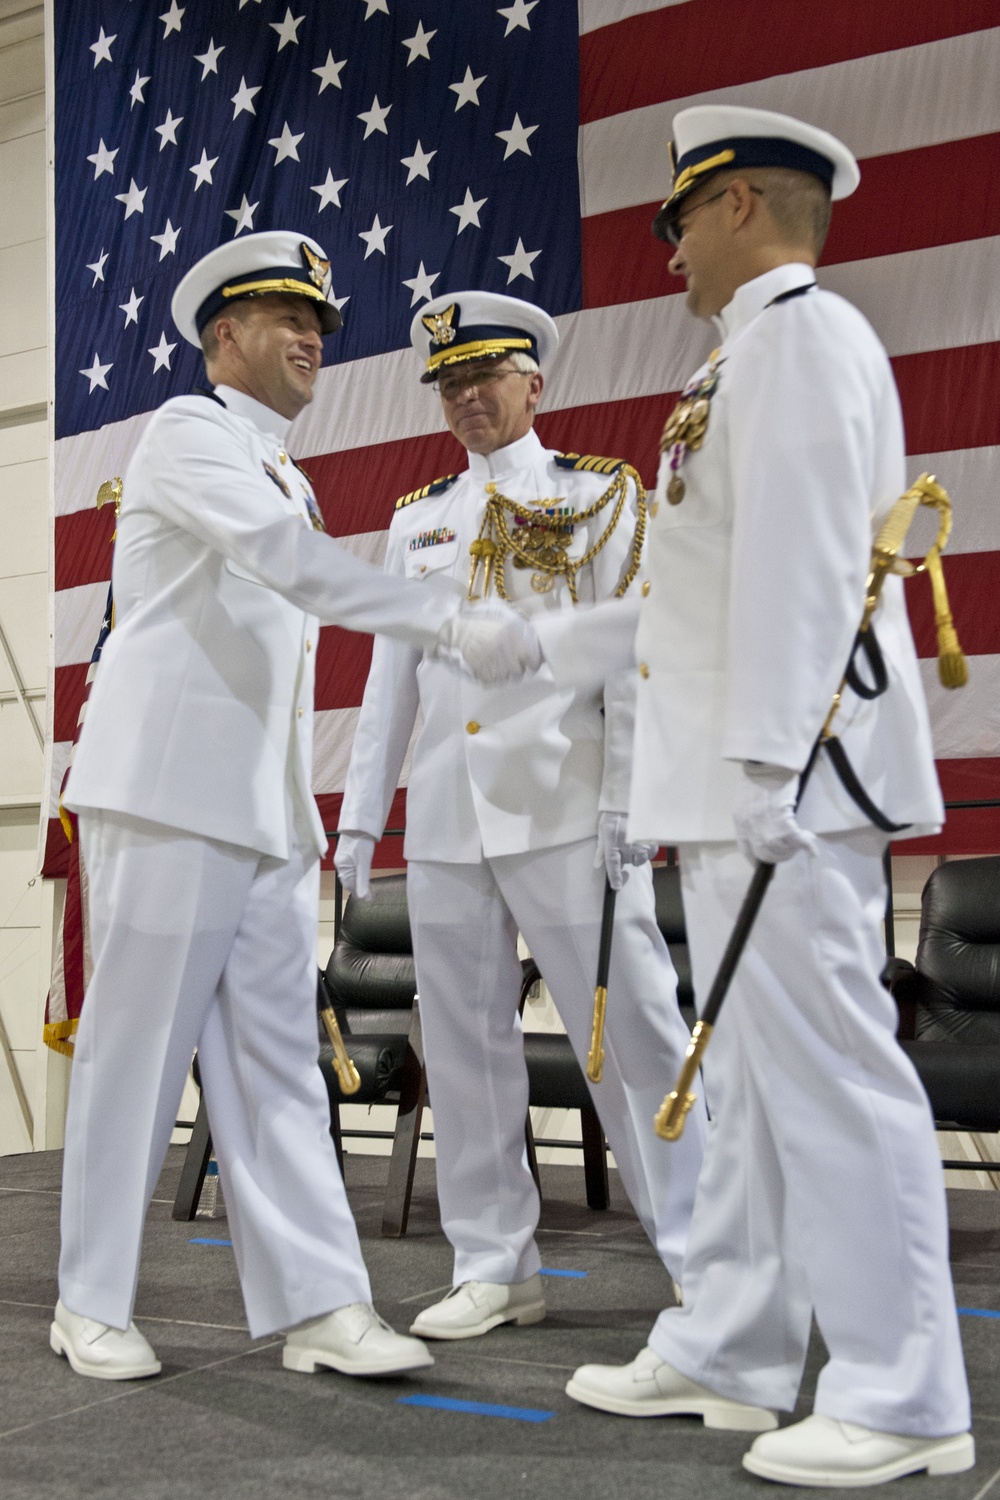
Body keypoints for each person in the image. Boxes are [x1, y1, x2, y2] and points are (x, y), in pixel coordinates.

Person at [506, 108, 975, 1486]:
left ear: (741, 209)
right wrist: (542, 639)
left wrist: (774, 760)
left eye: (677, 222)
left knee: (834, 1079)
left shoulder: (810, 340)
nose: (667, 254)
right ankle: (737, 1344)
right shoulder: (742, 360)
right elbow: (698, 599)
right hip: (729, 783)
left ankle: (905, 1396)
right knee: (761, 1095)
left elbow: (819, 567)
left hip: (786, 782)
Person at [51, 232, 529, 1383]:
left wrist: (305, 813)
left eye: (317, 317)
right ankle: (88, 1301)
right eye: (283, 316)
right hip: (167, 796)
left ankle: (320, 1305)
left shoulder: (289, 473)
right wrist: (441, 618)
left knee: (277, 1064)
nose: (313, 334)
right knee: (135, 1057)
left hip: (260, 812)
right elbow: (280, 565)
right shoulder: (188, 436)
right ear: (224, 337)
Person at [335, 291, 706, 1342]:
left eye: (485, 377)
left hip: (565, 811)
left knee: (635, 1034)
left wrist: (631, 796)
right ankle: (495, 1263)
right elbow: (389, 682)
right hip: (449, 821)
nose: (466, 397)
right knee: (462, 1049)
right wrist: (365, 815)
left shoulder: (596, 496)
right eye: (449, 384)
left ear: (533, 381)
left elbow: (631, 659)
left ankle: (707, 1257)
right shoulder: (416, 520)